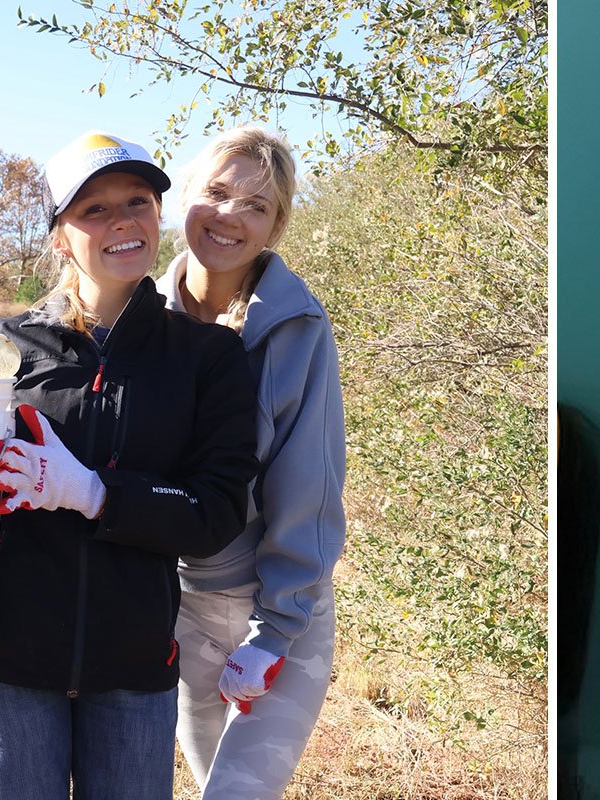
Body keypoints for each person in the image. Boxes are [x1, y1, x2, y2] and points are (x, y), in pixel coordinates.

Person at [0, 130, 260, 800]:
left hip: (134, 669)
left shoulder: (206, 357)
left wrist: (94, 493)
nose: (122, 220)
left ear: (158, 217)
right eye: (93, 209)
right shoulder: (0, 351)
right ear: (60, 236)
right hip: (4, 666)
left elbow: (216, 513)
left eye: (138, 201)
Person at [154, 125, 347, 798]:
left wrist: (273, 634)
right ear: (188, 197)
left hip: (280, 617)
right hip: (182, 609)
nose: (230, 215)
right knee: (211, 783)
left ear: (276, 226)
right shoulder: (141, 317)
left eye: (256, 205)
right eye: (217, 191)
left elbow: (309, 486)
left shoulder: (299, 327)